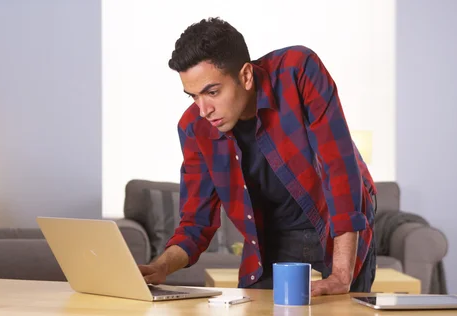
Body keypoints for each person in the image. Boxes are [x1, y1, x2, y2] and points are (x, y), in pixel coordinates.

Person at [138, 17, 377, 296]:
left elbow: (340, 170)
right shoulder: (194, 128)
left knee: (341, 309)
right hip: (273, 237)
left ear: (246, 76)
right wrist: (161, 267)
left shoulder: (298, 70)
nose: (204, 109)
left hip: (338, 222)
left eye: (212, 92)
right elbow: (195, 223)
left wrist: (341, 276)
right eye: (193, 96)